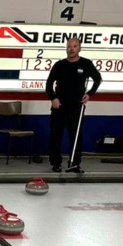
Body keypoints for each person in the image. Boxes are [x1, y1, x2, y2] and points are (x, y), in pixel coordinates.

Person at [46, 37, 103, 173]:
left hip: (77, 107)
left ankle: (74, 163)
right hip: (59, 106)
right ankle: (56, 163)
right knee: (56, 136)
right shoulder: (59, 65)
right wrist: (53, 98)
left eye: (74, 46)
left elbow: (98, 79)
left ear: (79, 48)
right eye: (69, 46)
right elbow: (49, 84)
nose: (71, 49)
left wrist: (90, 94)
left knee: (76, 136)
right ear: (66, 48)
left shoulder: (86, 64)